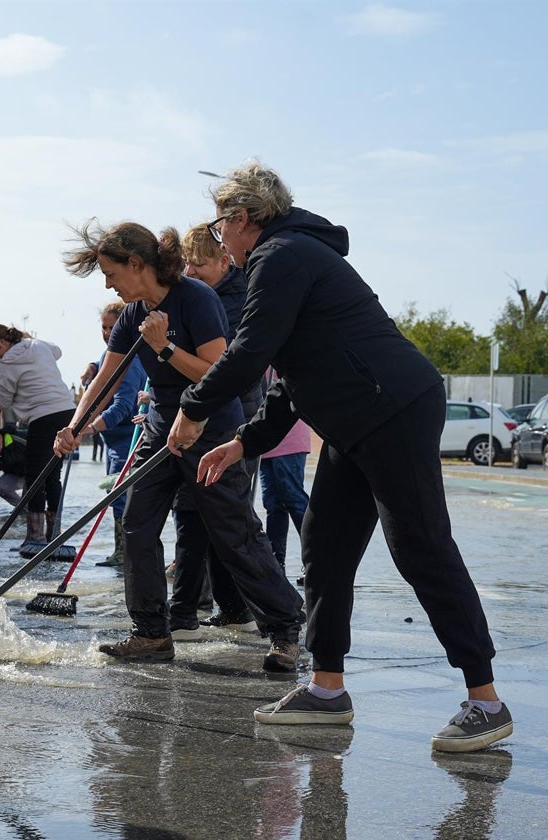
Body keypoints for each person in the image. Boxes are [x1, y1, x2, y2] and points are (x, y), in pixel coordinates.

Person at [174, 160, 512, 752]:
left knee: (421, 547)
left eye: (219, 222)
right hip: (355, 421)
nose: (218, 236)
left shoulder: (282, 256)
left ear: (242, 217)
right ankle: (327, 690)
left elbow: (251, 351)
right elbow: (290, 377)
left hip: (392, 409)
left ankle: (486, 701)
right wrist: (243, 441)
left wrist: (194, 406)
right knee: (324, 546)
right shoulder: (286, 256)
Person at [56, 220, 304, 673]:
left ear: (137, 263)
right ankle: (151, 632)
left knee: (232, 533)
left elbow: (218, 373)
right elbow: (106, 380)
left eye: (112, 273)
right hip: (160, 429)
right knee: (137, 523)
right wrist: (74, 425)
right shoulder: (132, 313)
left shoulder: (196, 298)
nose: (108, 283)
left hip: (210, 428)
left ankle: (286, 629)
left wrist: (164, 348)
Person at [174, 222, 267, 631]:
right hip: (207, 409)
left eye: (200, 265)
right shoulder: (206, 293)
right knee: (202, 512)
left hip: (236, 414)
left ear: (224, 260)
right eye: (187, 265)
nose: (192, 272)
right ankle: (228, 609)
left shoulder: (237, 296)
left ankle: (259, 611)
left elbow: (224, 364)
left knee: (228, 515)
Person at [0, 324, 77, 549]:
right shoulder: (40, 345)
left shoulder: (7, 363)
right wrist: (30, 340)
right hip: (67, 411)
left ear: (2, 343)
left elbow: (4, 401)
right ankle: (54, 536)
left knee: (35, 477)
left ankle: (35, 538)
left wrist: (0, 404)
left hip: (42, 417)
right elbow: (58, 351)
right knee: (53, 475)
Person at [79, 302, 148, 567]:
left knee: (121, 496)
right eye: (104, 327)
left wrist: (91, 427)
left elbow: (122, 407)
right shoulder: (114, 351)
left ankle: (126, 555)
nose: (108, 333)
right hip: (114, 441)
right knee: (115, 495)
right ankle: (123, 552)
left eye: (113, 327)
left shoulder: (131, 361)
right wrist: (91, 366)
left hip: (128, 439)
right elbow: (103, 361)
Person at [258, 367, 311, 576]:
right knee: (272, 503)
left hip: (289, 437)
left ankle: (317, 559)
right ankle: (275, 563)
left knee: (293, 499)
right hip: (264, 439)